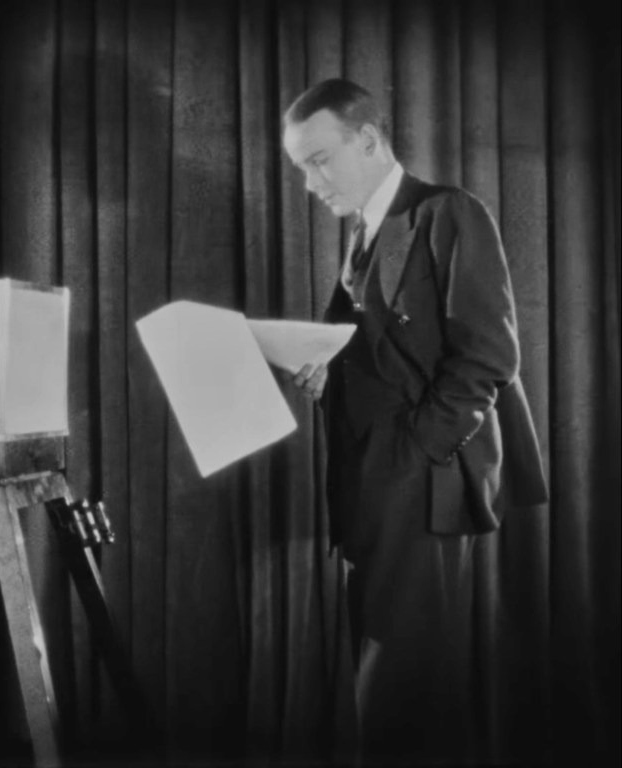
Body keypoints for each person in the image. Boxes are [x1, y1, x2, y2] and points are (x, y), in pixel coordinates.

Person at [281, 79, 548, 765]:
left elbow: (489, 356)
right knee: (394, 673)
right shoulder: (364, 233)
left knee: (404, 683)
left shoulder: (447, 212)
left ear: (369, 141)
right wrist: (327, 373)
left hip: (420, 482)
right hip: (369, 480)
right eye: (301, 168)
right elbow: (381, 354)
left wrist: (417, 450)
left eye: (319, 161)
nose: (310, 183)